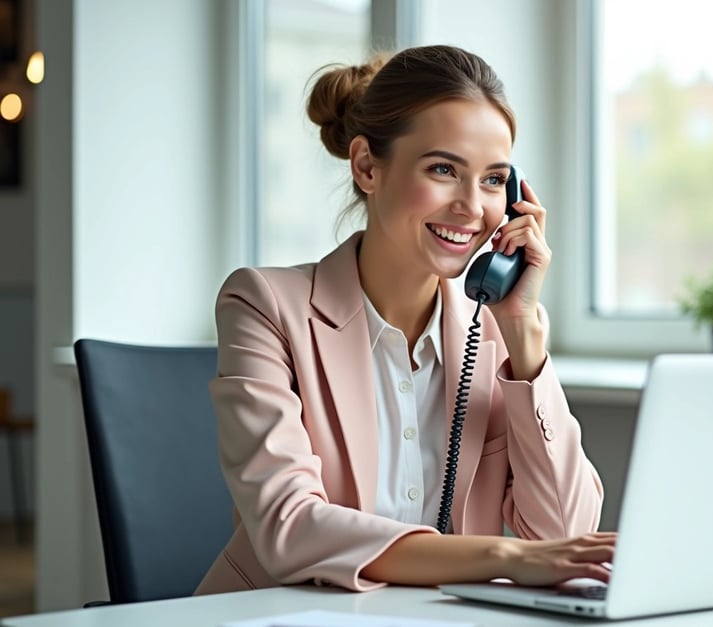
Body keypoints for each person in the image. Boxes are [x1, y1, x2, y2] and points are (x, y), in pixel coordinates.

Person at [195, 44, 612, 595]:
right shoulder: (266, 305)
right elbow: (288, 527)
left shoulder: (496, 331)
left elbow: (564, 533)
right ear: (367, 166)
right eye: (444, 169)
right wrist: (506, 555)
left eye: (493, 180)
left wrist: (525, 335)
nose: (471, 206)